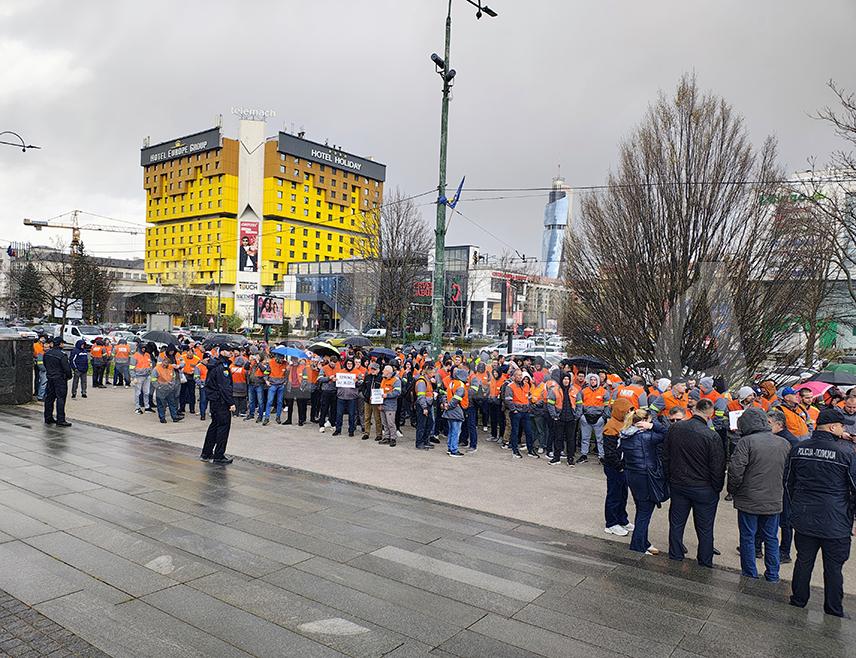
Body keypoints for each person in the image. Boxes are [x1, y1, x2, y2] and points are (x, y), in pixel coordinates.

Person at [785, 407, 856, 617]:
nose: (844, 430)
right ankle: (833, 609)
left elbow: (788, 482)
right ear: (833, 427)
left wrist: (796, 507)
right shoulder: (846, 453)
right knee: (833, 568)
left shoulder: (799, 448)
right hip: (836, 520)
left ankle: (798, 600)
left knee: (803, 560)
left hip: (805, 516)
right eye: (842, 426)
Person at [726, 407, 791, 582]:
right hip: (774, 499)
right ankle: (772, 574)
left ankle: (749, 573)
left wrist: (732, 490)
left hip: (749, 499)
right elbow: (788, 474)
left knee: (748, 536)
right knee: (771, 538)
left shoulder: (746, 442)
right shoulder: (783, 443)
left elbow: (735, 470)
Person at [663, 398, 726, 567]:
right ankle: (705, 561)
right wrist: (717, 488)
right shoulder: (711, 436)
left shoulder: (675, 428)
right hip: (703, 488)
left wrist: (670, 478)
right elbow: (718, 465)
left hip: (679, 484)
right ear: (710, 414)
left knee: (676, 523)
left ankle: (675, 555)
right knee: (705, 528)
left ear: (694, 409)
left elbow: (666, 456)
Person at [620, 408, 668, 554]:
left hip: (632, 476)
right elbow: (668, 433)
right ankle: (638, 545)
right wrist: (653, 426)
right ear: (644, 421)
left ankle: (643, 542)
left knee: (641, 509)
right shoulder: (647, 436)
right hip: (646, 476)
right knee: (644, 512)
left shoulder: (625, 434)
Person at [767, 409, 801, 564]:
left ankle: (784, 552)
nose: (766, 426)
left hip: (786, 485)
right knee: (767, 514)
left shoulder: (790, 441)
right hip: (775, 482)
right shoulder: (774, 437)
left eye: (769, 423)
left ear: (779, 425)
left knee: (785, 521)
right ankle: (757, 545)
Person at [602, 397, 635, 537]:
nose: (630, 414)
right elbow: (609, 452)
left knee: (623, 495)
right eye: (628, 411)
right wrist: (619, 466)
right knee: (614, 495)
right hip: (614, 467)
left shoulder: (623, 424)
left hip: (622, 466)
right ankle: (611, 523)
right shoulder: (611, 427)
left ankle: (622, 519)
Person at [201, 343, 237, 464]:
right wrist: (231, 402)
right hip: (221, 401)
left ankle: (206, 452)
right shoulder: (222, 367)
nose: (230, 353)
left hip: (215, 400)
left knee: (214, 425)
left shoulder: (215, 364)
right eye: (228, 351)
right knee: (223, 427)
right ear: (222, 352)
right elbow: (224, 387)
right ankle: (219, 455)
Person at [504, 369, 534, 459]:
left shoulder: (526, 385)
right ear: (514, 376)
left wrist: (529, 407)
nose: (520, 377)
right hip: (516, 412)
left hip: (525, 412)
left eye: (521, 375)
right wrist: (514, 410)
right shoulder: (510, 386)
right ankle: (515, 450)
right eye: (518, 375)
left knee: (529, 431)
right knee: (515, 432)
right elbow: (508, 400)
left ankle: (530, 450)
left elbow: (528, 397)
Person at [576, 373, 607, 463]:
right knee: (585, 438)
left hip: (599, 418)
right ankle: (584, 455)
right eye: (591, 380)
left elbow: (608, 405)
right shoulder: (583, 391)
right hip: (586, 417)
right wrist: (581, 415)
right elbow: (579, 404)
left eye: (595, 380)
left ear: (598, 381)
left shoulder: (603, 391)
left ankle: (601, 456)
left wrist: (603, 417)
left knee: (600, 439)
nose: (593, 381)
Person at [43, 336, 72, 427]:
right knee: (60, 399)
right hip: (60, 379)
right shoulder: (62, 355)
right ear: (60, 344)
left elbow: (45, 364)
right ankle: (61, 419)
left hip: (50, 378)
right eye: (62, 343)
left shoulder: (47, 354)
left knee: (49, 399)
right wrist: (69, 376)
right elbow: (67, 369)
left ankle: (48, 417)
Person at [550, 373, 576, 465]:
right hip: (559, 418)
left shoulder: (575, 390)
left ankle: (570, 458)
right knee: (558, 438)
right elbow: (550, 404)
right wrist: (554, 415)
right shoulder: (555, 390)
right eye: (564, 379)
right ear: (561, 380)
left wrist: (576, 415)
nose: (566, 381)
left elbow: (580, 403)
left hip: (571, 418)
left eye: (568, 379)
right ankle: (556, 458)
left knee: (571, 440)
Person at [152, 347, 183, 424]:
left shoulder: (170, 368)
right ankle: (162, 418)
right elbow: (153, 379)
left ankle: (174, 417)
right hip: (161, 389)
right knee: (161, 405)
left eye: (167, 363)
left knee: (171, 404)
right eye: (165, 362)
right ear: (162, 362)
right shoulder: (156, 369)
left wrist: (171, 385)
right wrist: (158, 386)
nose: (165, 364)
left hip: (169, 388)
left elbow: (173, 377)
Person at [443, 367, 468, 457]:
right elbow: (457, 398)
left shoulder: (452, 383)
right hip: (457, 410)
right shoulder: (461, 385)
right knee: (456, 431)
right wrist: (450, 406)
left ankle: (450, 448)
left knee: (451, 430)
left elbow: (445, 395)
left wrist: (446, 404)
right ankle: (454, 450)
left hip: (449, 410)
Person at [333, 357, 361, 437]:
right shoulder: (341, 372)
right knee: (339, 414)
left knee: (352, 415)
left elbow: (361, 383)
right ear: (345, 364)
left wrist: (357, 382)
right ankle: (338, 430)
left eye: (351, 364)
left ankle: (351, 431)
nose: (349, 365)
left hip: (352, 397)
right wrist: (335, 380)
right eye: (348, 363)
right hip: (341, 397)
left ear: (353, 364)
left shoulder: (357, 372)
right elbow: (336, 382)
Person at [414, 363, 436, 450]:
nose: (433, 375)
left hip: (428, 404)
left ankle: (425, 441)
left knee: (429, 423)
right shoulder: (422, 382)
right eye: (432, 373)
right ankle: (419, 442)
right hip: (423, 406)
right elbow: (421, 396)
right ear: (428, 373)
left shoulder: (427, 381)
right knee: (422, 425)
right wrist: (424, 407)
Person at [379, 364, 401, 447]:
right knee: (384, 423)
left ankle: (393, 438)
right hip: (383, 405)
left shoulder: (396, 380)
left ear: (388, 372)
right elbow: (380, 391)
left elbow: (397, 392)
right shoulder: (383, 379)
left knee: (391, 423)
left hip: (390, 406)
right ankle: (387, 437)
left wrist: (387, 395)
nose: (382, 371)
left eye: (384, 370)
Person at [361, 362, 383, 441]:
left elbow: (382, 390)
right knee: (367, 418)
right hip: (367, 401)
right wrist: (366, 394)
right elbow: (363, 387)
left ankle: (379, 434)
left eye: (374, 369)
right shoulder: (367, 377)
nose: (373, 370)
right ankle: (366, 433)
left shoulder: (381, 378)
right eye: (372, 369)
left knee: (377, 418)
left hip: (376, 402)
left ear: (378, 370)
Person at [263, 351, 287, 425]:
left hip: (281, 385)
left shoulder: (285, 363)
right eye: (281, 359)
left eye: (283, 358)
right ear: (277, 358)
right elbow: (266, 372)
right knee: (269, 401)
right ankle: (266, 418)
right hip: (272, 384)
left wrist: (285, 381)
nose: (282, 360)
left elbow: (287, 373)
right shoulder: (271, 363)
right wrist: (266, 380)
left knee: (279, 402)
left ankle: (278, 417)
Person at [129, 341, 153, 414]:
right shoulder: (134, 356)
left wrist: (150, 371)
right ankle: (137, 408)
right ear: (139, 348)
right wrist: (133, 377)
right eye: (142, 348)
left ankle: (147, 407)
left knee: (147, 392)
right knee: (138, 393)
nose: (144, 349)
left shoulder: (147, 355)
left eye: (145, 348)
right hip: (138, 377)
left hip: (147, 376)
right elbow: (131, 368)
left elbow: (150, 364)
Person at [33, 336, 47, 401]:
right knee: (41, 380)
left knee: (40, 380)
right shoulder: (36, 345)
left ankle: (39, 393)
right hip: (39, 363)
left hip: (40, 363)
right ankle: (39, 394)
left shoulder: (43, 346)